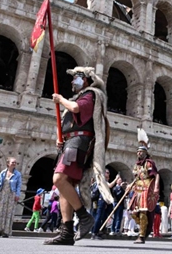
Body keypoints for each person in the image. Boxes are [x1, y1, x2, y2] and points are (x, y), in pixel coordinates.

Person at [44, 66, 110, 246]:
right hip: (70, 142)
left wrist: (60, 99)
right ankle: (66, 232)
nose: (73, 81)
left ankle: (83, 216)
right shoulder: (82, 95)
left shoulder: (90, 94)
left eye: (76, 78)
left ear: (86, 80)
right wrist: (62, 139)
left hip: (78, 144)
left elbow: (75, 108)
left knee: (58, 179)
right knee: (65, 187)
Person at [128, 128, 160, 244]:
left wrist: (156, 187)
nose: (138, 153)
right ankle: (144, 228)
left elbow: (156, 175)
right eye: (137, 152)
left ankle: (141, 235)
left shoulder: (149, 163)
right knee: (133, 213)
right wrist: (130, 186)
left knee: (143, 212)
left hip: (146, 190)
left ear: (145, 153)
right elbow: (136, 178)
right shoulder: (137, 166)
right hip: (137, 190)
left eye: (140, 152)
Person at [0, 157, 22, 237]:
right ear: (8, 163)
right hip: (1, 193)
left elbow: (19, 185)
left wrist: (17, 195)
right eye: (12, 162)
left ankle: (5, 231)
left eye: (15, 163)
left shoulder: (18, 174)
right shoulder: (3, 172)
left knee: (8, 212)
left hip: (11, 194)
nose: (14, 164)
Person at [91, 169, 118, 240]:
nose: (108, 174)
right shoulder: (102, 180)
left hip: (103, 200)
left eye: (108, 173)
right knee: (98, 216)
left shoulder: (103, 180)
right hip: (101, 199)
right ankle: (94, 232)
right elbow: (110, 186)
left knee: (102, 216)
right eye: (107, 172)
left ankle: (100, 231)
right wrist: (116, 179)